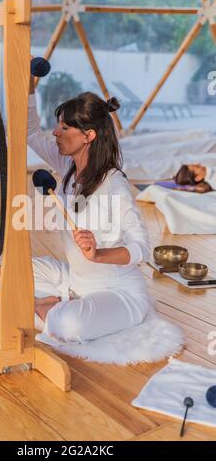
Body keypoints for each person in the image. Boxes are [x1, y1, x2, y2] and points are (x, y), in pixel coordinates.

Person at [29, 74, 151, 345]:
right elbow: (31, 134)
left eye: (63, 128)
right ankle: (59, 303)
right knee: (19, 270)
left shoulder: (113, 184)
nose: (55, 133)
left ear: (88, 135)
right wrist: (29, 87)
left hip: (118, 292)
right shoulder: (68, 167)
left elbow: (142, 247)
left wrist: (99, 253)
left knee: (69, 324)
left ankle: (50, 309)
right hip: (76, 280)